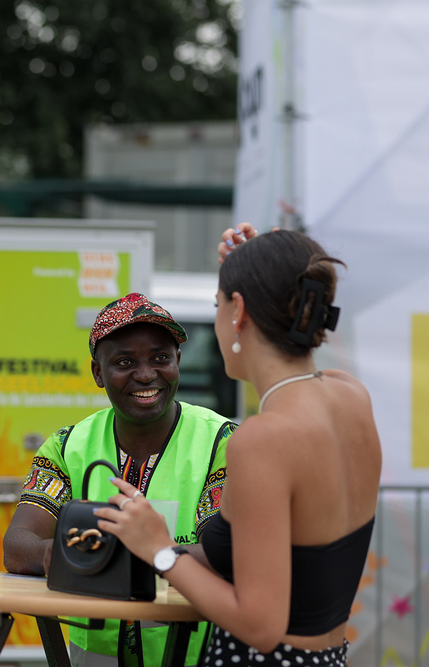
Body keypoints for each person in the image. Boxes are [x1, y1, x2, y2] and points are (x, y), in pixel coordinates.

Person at [96, 224, 381, 666]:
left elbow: (259, 626)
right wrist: (262, 268)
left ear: (239, 312)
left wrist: (159, 549)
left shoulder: (262, 440)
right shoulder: (351, 396)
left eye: (218, 306)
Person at [3, 293, 237, 667]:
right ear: (98, 373)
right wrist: (54, 554)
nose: (145, 374)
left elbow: (225, 555)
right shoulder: (67, 446)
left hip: (194, 652)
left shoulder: (222, 443)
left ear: (178, 361)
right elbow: (17, 544)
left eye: (160, 358)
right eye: (125, 362)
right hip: (96, 656)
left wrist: (118, 558)